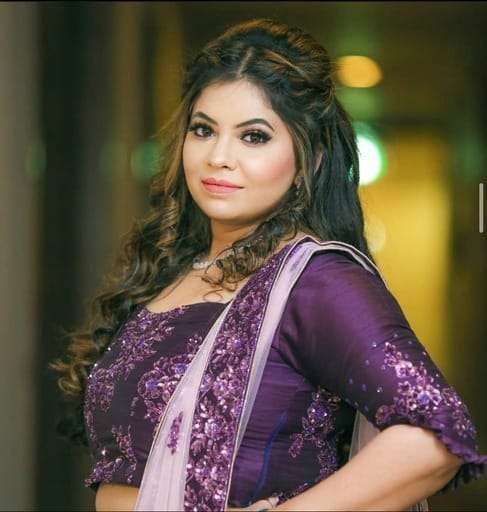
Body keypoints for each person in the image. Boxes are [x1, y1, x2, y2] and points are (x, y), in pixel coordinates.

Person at [51, 17, 487, 511]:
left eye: (254, 137)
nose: (219, 156)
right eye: (203, 130)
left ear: (310, 159)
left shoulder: (315, 280)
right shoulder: (172, 272)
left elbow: (432, 435)